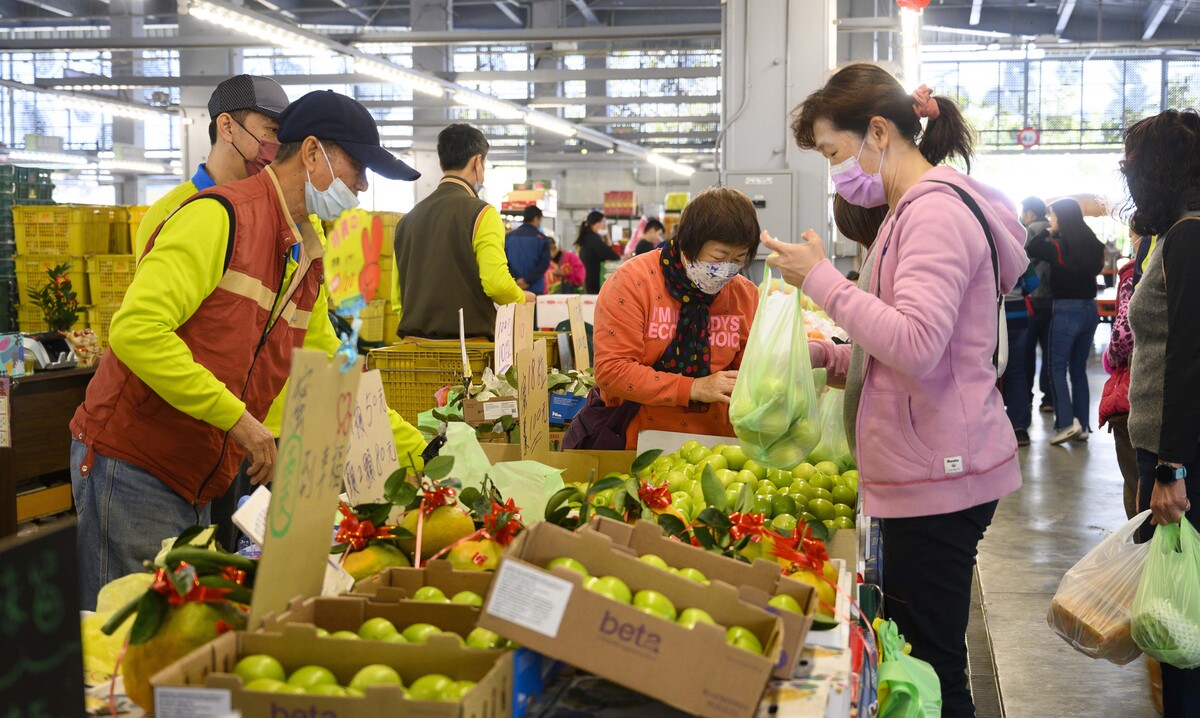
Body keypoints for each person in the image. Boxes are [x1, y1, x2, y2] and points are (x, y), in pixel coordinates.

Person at [69, 90, 424, 610]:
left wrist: (420, 452)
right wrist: (240, 421)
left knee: (179, 641)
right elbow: (138, 331)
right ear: (310, 153)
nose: (362, 187)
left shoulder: (302, 249)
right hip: (136, 463)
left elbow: (329, 372)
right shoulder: (218, 216)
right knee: (124, 648)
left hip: (202, 470)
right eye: (358, 168)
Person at [765, 64, 1026, 718]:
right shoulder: (913, 210)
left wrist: (821, 280)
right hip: (927, 461)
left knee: (934, 668)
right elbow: (910, 346)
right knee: (922, 658)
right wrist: (831, 357)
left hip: (939, 469)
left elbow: (916, 343)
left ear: (877, 132)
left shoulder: (934, 213)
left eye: (834, 153)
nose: (836, 173)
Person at [1124, 108, 1200, 718]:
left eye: (1134, 166)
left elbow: (1189, 357)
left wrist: (1170, 467)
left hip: (1182, 453)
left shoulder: (1188, 236)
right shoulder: (1181, 233)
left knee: (1182, 613)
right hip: (1175, 447)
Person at [590, 187, 760, 449]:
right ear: (688, 244)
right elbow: (612, 370)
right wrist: (693, 388)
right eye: (719, 256)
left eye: (738, 259)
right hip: (639, 442)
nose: (726, 269)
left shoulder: (744, 294)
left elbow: (752, 372)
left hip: (720, 448)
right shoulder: (632, 283)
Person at [393, 123, 532, 339]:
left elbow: (397, 297)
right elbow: (496, 284)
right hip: (468, 351)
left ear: (441, 164)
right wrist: (522, 298)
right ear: (478, 162)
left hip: (413, 349)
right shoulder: (482, 213)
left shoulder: (406, 220)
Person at [135, 75, 289, 258]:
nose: (280, 145)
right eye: (273, 131)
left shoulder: (285, 208)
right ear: (227, 127)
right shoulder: (169, 213)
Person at [1025, 198, 1105, 444]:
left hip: (1065, 310)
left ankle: (1065, 424)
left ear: (1062, 219)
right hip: (1090, 311)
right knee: (1078, 369)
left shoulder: (1057, 246)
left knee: (1057, 368)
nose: (1051, 221)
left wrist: (1048, 232)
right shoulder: (1092, 244)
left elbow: (1031, 248)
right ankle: (1081, 425)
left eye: (1053, 217)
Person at [1099, 229, 1145, 520]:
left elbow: (1124, 335)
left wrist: (1110, 359)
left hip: (1138, 391)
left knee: (1138, 483)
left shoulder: (1134, 272)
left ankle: (1147, 556)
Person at [1020, 196, 1054, 415]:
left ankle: (1027, 397)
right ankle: (1049, 399)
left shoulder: (1025, 232)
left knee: (1026, 352)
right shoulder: (1055, 231)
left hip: (1031, 299)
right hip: (1053, 299)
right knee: (1050, 352)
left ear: (1030, 213)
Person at [1002, 263, 1041, 447]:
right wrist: (1018, 293)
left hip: (992, 317)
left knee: (986, 372)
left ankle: (991, 425)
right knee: (1016, 371)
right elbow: (1033, 282)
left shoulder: (982, 244)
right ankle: (1019, 428)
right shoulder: (1018, 250)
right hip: (1019, 315)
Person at [505, 205, 551, 294]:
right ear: (536, 218)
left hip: (514, 288)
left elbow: (504, 261)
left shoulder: (509, 237)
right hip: (535, 289)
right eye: (540, 220)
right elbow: (544, 263)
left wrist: (517, 279)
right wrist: (527, 280)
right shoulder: (542, 239)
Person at [575, 210, 621, 293]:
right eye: (602, 222)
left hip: (589, 281)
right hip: (595, 283)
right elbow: (613, 256)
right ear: (593, 224)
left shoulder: (587, 238)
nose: (605, 226)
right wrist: (607, 237)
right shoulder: (594, 240)